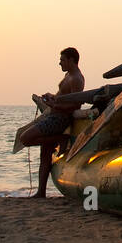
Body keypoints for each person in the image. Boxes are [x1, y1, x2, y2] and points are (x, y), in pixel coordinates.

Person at [21, 48, 85, 198]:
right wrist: (52, 98)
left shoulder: (77, 79)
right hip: (54, 115)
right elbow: (63, 97)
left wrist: (54, 105)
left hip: (59, 119)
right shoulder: (68, 75)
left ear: (71, 60)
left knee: (25, 138)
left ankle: (61, 139)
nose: (60, 63)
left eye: (62, 60)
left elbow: (76, 105)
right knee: (45, 154)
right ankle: (41, 192)